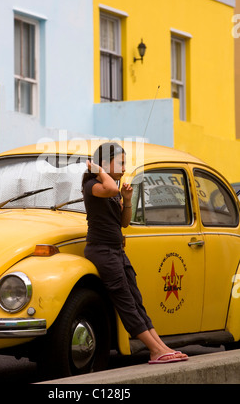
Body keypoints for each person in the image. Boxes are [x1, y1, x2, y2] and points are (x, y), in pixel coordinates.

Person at [82, 142, 188, 364]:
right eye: (120, 162)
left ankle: (160, 347)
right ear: (103, 163)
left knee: (136, 300)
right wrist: (98, 171)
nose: (124, 167)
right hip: (102, 252)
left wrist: (127, 200)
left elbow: (124, 222)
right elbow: (109, 189)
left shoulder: (113, 188)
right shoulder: (92, 185)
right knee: (125, 302)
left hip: (116, 251)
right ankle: (154, 350)